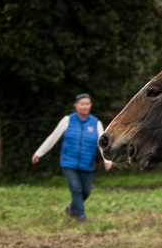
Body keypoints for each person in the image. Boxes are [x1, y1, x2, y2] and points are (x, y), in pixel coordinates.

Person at [31, 93, 113, 223]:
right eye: (82, 104)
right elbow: (53, 137)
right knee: (76, 189)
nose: (85, 106)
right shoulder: (67, 120)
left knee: (86, 192)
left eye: (87, 104)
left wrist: (107, 160)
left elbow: (102, 144)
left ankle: (71, 208)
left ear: (90, 105)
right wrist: (39, 153)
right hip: (69, 163)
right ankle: (81, 216)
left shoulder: (96, 123)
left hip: (87, 163)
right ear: (76, 106)